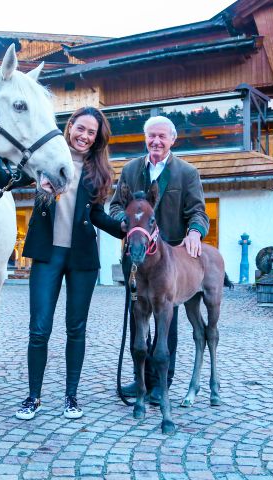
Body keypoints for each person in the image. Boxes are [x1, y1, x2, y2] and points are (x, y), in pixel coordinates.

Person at [0, 106, 125, 420]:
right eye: (80, 128)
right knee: (39, 329)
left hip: (82, 257)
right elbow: (6, 179)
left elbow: (98, 216)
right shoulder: (44, 156)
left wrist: (126, 228)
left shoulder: (98, 171)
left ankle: (71, 397)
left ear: (97, 138)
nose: (84, 136)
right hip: (47, 253)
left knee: (76, 329)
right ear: (69, 126)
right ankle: (33, 397)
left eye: (91, 133)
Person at [109, 115, 209, 403]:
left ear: (172, 140)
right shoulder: (129, 169)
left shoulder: (186, 173)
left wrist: (195, 233)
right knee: (138, 316)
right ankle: (141, 379)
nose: (156, 141)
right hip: (137, 257)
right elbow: (116, 205)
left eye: (162, 137)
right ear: (145, 138)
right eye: (151, 136)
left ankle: (161, 382)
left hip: (169, 261)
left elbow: (198, 212)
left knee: (167, 320)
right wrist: (123, 222)